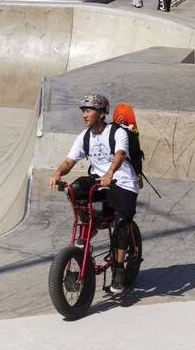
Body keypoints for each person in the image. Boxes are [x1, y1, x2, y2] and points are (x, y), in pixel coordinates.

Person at [49, 94, 139, 294]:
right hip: (99, 180)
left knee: (121, 221)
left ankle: (119, 269)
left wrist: (110, 173)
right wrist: (57, 173)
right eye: (83, 111)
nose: (84, 115)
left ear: (101, 113)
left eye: (88, 110)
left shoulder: (117, 133)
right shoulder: (85, 136)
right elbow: (69, 161)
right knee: (73, 189)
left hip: (122, 181)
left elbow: (120, 154)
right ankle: (90, 224)